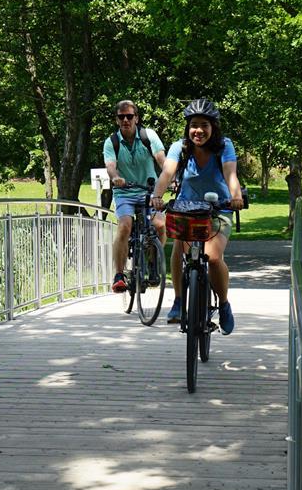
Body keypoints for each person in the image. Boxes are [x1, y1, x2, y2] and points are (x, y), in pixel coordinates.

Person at [150, 98, 244, 332]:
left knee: (212, 257)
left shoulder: (224, 146)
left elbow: (230, 173)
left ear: (213, 127)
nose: (198, 130)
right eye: (194, 125)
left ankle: (223, 304)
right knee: (179, 244)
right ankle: (179, 300)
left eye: (204, 125)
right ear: (187, 127)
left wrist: (236, 196)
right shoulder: (179, 147)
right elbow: (167, 173)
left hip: (218, 210)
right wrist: (157, 195)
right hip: (187, 209)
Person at [102, 99, 167, 292]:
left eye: (129, 116)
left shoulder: (149, 136)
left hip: (150, 192)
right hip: (124, 193)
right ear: (117, 120)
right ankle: (119, 274)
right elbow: (110, 167)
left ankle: (154, 263)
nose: (125, 120)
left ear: (136, 118)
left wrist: (171, 178)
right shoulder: (111, 142)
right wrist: (115, 178)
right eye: (121, 117)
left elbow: (162, 160)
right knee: (124, 226)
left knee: (160, 225)